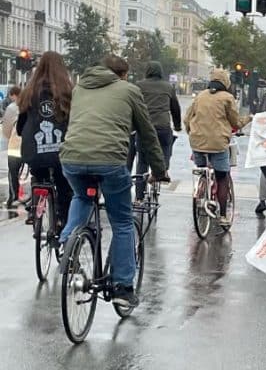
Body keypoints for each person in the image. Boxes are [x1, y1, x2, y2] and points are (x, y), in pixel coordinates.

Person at [59, 55, 168, 308]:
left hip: (71, 159)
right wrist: (159, 169)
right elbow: (147, 133)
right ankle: (123, 286)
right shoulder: (129, 90)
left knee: (82, 196)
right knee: (122, 221)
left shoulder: (79, 88)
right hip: (109, 162)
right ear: (122, 75)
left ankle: (68, 243)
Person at [16, 52, 73, 229]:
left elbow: (20, 128)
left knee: (38, 176)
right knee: (64, 188)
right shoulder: (68, 92)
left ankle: (35, 209)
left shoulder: (29, 93)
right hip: (61, 153)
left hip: (35, 152)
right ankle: (63, 224)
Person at [184, 68, 243, 226]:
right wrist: (248, 120)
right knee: (222, 177)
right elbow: (235, 122)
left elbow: (187, 118)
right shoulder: (227, 98)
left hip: (197, 142)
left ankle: (201, 190)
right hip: (218, 144)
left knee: (202, 168)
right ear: (226, 82)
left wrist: (192, 132)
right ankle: (223, 215)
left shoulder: (200, 96)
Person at [134, 61, 182, 201]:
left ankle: (138, 198)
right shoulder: (168, 87)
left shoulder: (139, 86)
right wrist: (177, 125)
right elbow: (175, 108)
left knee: (142, 161)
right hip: (162, 127)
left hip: (144, 127)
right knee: (166, 147)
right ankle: (163, 171)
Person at [2, 86, 22, 207]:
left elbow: (6, 130)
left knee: (13, 173)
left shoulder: (12, 108)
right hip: (31, 146)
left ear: (13, 95)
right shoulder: (31, 105)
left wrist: (11, 137)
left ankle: (13, 197)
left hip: (16, 147)